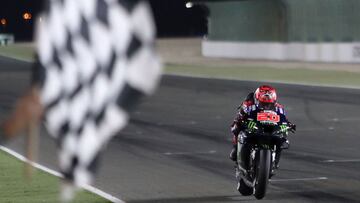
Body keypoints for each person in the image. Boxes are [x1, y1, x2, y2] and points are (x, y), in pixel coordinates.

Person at [229, 85, 295, 173]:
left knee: (282, 137)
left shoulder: (279, 108)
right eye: (263, 104)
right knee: (237, 129)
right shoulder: (247, 104)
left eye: (269, 104)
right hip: (254, 126)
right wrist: (240, 121)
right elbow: (238, 118)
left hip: (271, 129)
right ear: (256, 100)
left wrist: (288, 125)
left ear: (274, 102)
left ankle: (275, 162)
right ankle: (236, 148)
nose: (266, 107)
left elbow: (284, 120)